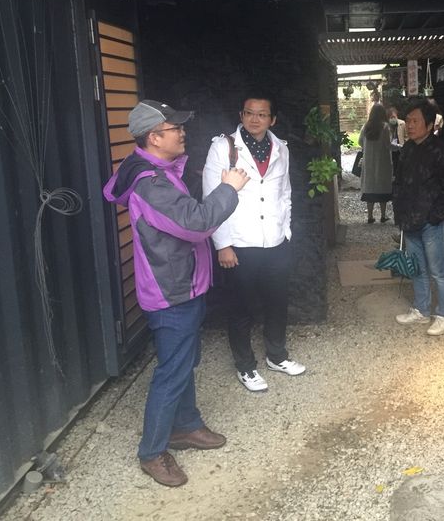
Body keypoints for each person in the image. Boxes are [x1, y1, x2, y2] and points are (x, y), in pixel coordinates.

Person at [103, 99, 249, 487]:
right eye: (175, 128)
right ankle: (152, 452)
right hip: (171, 293)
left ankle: (185, 425)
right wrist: (228, 188)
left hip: (183, 285)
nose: (183, 133)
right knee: (171, 371)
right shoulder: (151, 184)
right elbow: (196, 223)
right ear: (154, 137)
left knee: (184, 361)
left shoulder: (161, 172)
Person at [202, 93, 305, 394]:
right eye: (249, 113)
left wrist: (286, 231)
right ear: (241, 115)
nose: (255, 119)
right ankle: (245, 365)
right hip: (239, 242)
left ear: (272, 119)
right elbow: (211, 197)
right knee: (240, 307)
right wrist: (222, 244)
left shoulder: (281, 148)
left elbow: (285, 193)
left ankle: (277, 356)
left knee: (277, 302)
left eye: (262, 114)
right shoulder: (223, 148)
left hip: (275, 240)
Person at [393, 100, 444, 336]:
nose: (410, 125)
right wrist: (399, 212)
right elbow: (399, 183)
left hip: (431, 222)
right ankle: (421, 310)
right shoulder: (407, 149)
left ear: (430, 125)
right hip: (409, 219)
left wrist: (437, 215)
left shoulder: (442, 150)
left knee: (438, 270)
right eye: (408, 121)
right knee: (417, 268)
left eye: (415, 121)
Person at [358, 104, 396, 223]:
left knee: (370, 188)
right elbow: (388, 145)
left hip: (369, 161)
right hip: (382, 161)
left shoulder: (365, 126)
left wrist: (368, 147)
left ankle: (370, 216)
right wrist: (400, 147)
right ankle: (383, 216)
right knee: (382, 188)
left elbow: (359, 142)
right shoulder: (385, 127)